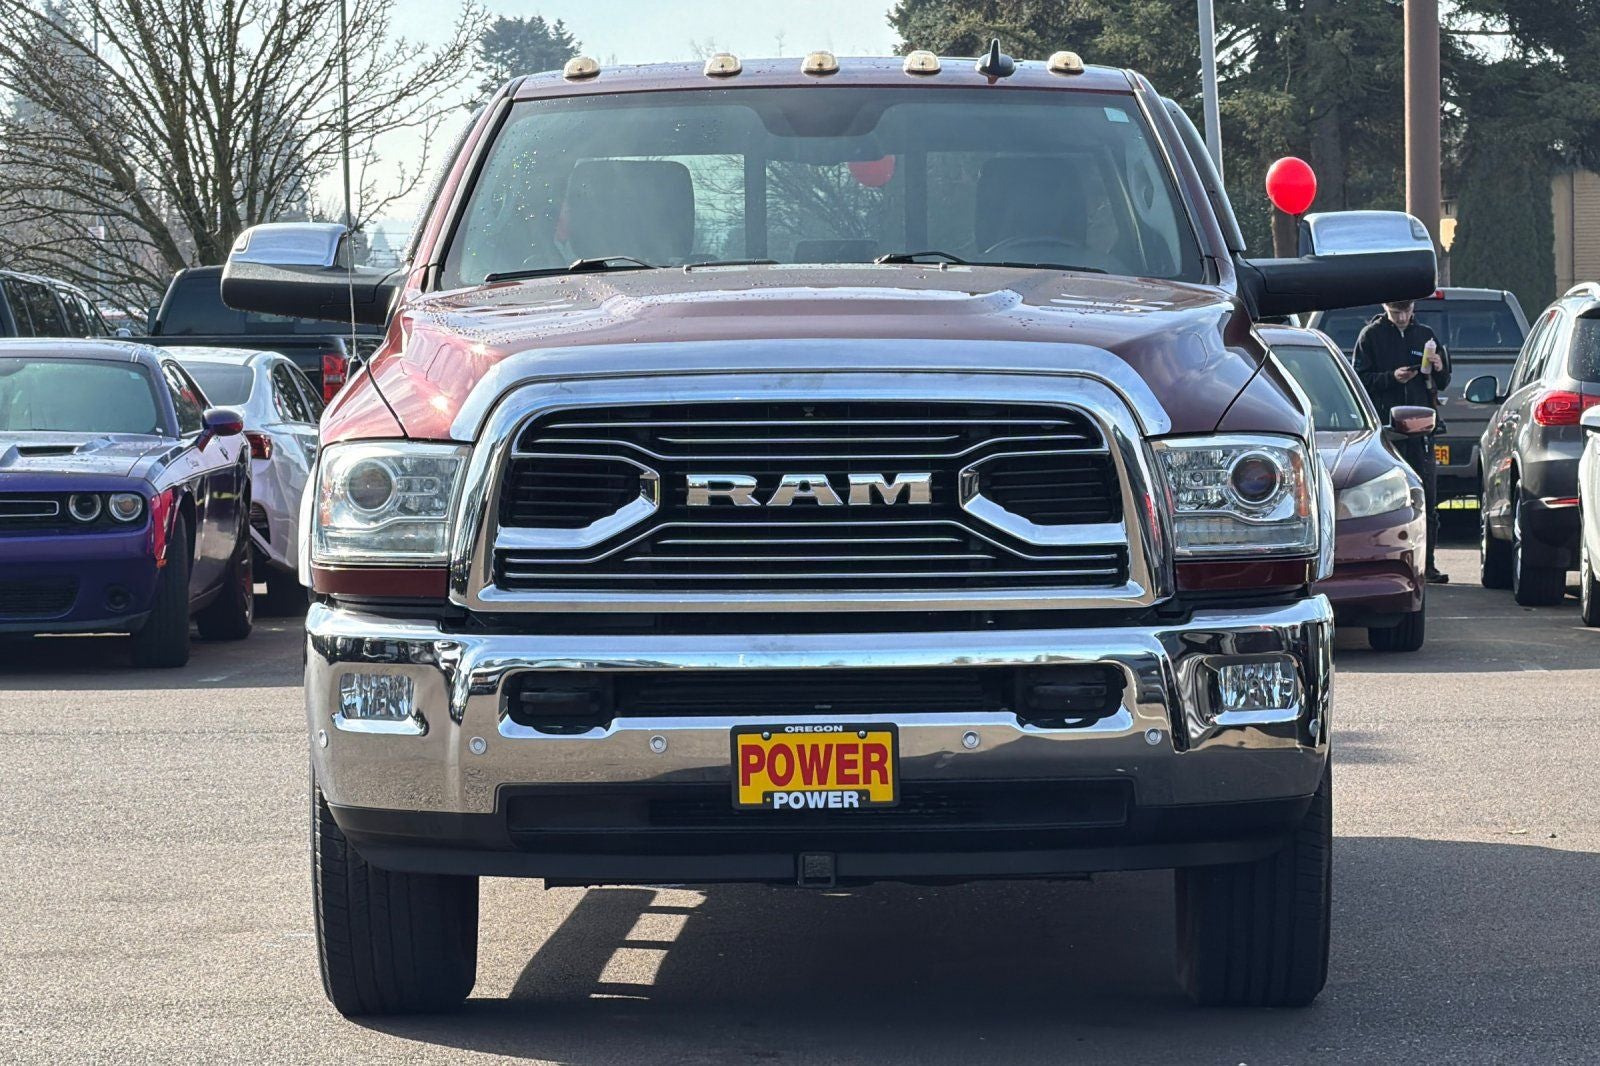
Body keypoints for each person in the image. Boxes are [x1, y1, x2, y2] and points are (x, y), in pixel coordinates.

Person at [1353, 299, 1451, 584]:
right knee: (1387, 501)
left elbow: (1443, 381)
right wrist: (1391, 378)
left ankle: (1427, 565)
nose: (1402, 317)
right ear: (1386, 309)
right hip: (1387, 432)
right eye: (1396, 312)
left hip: (1421, 431)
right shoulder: (1371, 336)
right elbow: (1359, 379)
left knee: (1426, 499)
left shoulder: (1425, 335)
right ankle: (1384, 564)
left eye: (1407, 311)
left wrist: (1439, 367)